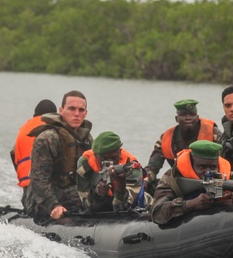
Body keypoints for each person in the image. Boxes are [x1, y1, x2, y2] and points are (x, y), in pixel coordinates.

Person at [150, 140, 233, 226]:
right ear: (191, 163)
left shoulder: (224, 174)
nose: (208, 172)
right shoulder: (173, 178)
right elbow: (157, 213)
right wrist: (191, 204)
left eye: (212, 167)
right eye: (202, 167)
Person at [24, 90, 93, 222]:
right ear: (61, 110)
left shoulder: (86, 140)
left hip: (72, 192)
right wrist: (53, 206)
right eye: (72, 109)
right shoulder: (48, 139)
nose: (77, 114)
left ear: (86, 113)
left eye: (81, 110)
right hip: (41, 199)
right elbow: (39, 179)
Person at [145, 99, 222, 192]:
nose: (188, 118)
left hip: (208, 181)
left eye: (192, 114)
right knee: (151, 185)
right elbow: (153, 167)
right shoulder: (165, 138)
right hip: (178, 183)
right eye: (183, 115)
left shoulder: (213, 133)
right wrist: (144, 181)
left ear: (197, 117)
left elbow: (223, 162)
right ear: (176, 119)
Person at [75, 131, 147, 212]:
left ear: (120, 152)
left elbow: (123, 207)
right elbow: (85, 204)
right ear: (95, 155)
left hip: (132, 203)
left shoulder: (132, 167)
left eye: (114, 158)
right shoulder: (85, 164)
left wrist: (121, 184)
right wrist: (96, 194)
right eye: (105, 159)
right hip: (99, 203)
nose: (110, 163)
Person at [10, 99, 57, 207]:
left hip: (27, 189)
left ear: (34, 115)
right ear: (55, 116)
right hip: (48, 189)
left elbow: (14, 155)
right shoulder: (55, 128)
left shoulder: (23, 130)